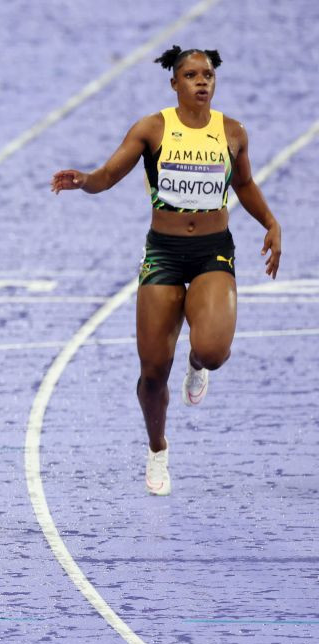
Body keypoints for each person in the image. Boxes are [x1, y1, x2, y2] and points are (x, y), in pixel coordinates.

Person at [51, 46, 282, 496]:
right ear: (174, 83)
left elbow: (245, 184)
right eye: (191, 75)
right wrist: (84, 181)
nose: (201, 81)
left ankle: (198, 364)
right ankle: (157, 447)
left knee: (213, 350)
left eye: (208, 75)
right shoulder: (152, 129)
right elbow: (108, 175)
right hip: (164, 254)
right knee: (153, 372)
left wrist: (271, 223)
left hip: (213, 249)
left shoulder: (232, 133)